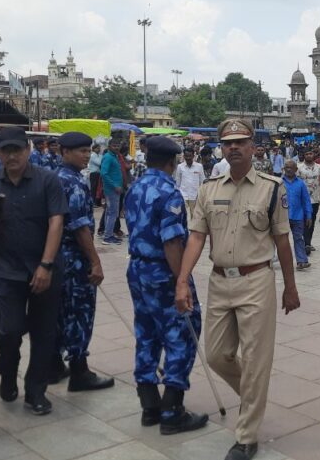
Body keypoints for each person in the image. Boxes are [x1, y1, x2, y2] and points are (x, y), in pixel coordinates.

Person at [176, 118, 301, 460]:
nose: (234, 147)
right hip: (219, 281)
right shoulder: (209, 189)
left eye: (241, 142)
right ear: (221, 147)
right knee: (217, 355)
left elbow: (282, 240)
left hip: (257, 280)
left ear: (252, 146)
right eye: (228, 142)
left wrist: (291, 286)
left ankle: (246, 436)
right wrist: (183, 279)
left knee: (256, 359)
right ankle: (253, 396)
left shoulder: (272, 188)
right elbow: (197, 237)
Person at [0, 127, 67, 415]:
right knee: (9, 330)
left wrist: (46, 264)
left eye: (17, 150)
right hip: (7, 269)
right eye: (6, 150)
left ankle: (35, 391)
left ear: (28, 150)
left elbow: (56, 222)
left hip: (45, 268)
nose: (11, 156)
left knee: (43, 333)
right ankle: (7, 370)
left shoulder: (47, 180)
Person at [125, 137, 209, 435]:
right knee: (182, 332)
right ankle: (173, 409)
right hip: (163, 271)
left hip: (137, 268)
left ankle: (149, 404)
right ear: (172, 163)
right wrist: (181, 282)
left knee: (146, 332)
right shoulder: (168, 193)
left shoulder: (135, 186)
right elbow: (172, 241)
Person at [49, 132, 114, 391]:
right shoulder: (73, 182)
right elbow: (80, 228)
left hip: (55, 257)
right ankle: (79, 372)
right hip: (74, 259)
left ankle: (53, 365)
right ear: (64, 152)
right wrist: (95, 261)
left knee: (58, 313)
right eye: (80, 151)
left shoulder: (53, 177)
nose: (86, 155)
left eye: (88, 150)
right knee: (79, 313)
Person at [281, 160, 312, 269]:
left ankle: (302, 261)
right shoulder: (279, 182)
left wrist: (308, 215)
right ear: (283, 169)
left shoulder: (300, 184)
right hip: (282, 217)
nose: (288, 169)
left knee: (299, 238)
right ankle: (281, 261)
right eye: (286, 167)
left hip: (298, 216)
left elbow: (306, 200)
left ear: (295, 170)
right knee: (281, 240)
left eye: (291, 167)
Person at [298, 149, 320, 254]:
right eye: (306, 153)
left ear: (314, 155)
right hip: (301, 199)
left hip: (315, 199)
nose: (308, 155)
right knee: (303, 221)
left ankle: (308, 242)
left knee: (311, 221)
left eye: (310, 153)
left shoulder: (319, 167)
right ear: (304, 155)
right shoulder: (299, 167)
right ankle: (306, 243)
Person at [100, 139, 125, 245]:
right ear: (109, 146)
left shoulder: (115, 156)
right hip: (111, 190)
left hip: (115, 190)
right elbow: (104, 174)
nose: (116, 147)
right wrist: (115, 186)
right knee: (113, 213)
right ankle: (107, 237)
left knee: (110, 212)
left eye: (118, 145)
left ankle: (108, 234)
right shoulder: (108, 157)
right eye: (114, 145)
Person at [174, 147, 204, 220]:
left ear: (193, 156)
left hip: (195, 196)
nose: (188, 158)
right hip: (183, 195)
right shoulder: (180, 167)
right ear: (184, 156)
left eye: (190, 156)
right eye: (186, 156)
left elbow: (202, 181)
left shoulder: (199, 166)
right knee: (184, 216)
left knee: (195, 216)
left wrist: (200, 195)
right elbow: (177, 182)